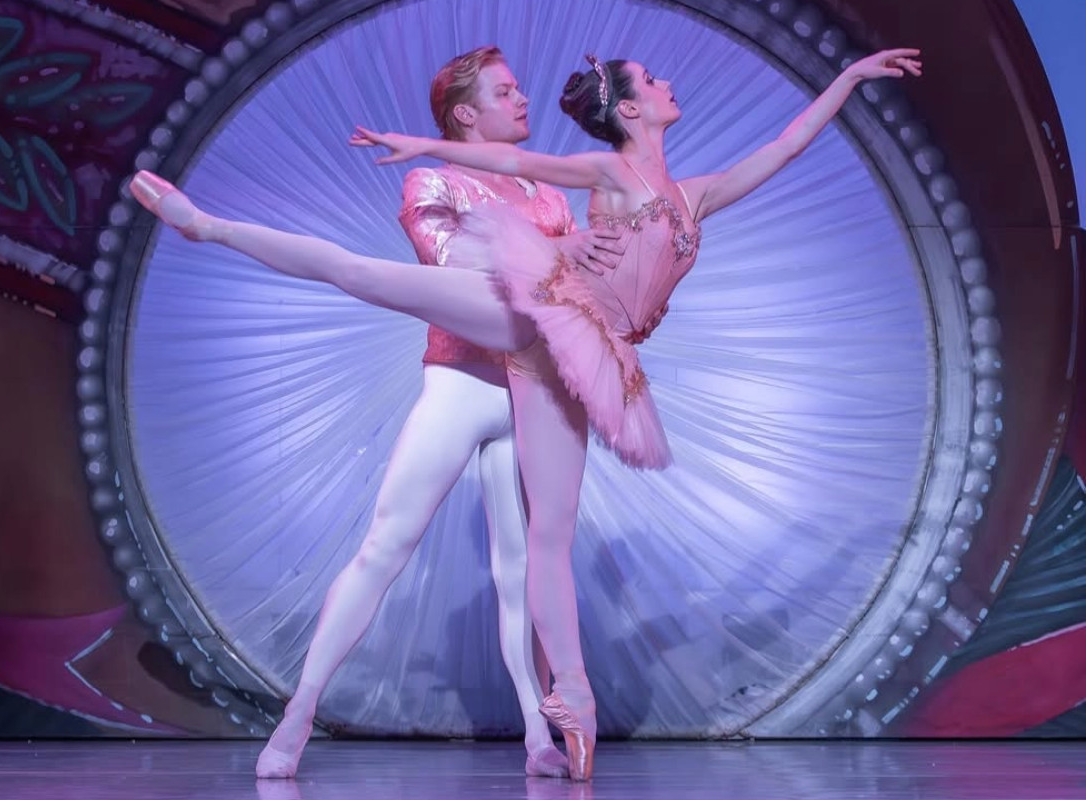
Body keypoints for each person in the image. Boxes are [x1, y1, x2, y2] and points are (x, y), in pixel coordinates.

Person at [129, 48, 922, 780]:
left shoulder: (689, 195)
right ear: (631, 107)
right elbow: (508, 162)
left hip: (577, 355)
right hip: (527, 318)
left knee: (549, 537)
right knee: (360, 275)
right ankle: (208, 227)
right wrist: (424, 146)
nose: (669, 85)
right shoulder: (601, 172)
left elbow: (783, 149)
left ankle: (567, 704)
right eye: (654, 80)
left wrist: (849, 79)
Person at [246, 46, 626, 779]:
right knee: (387, 544)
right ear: (464, 114)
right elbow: (455, 267)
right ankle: (297, 714)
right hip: (460, 382)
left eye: (519, 88)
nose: (522, 100)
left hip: (531, 389)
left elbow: (565, 294)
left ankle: (536, 734)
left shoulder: (545, 197)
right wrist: (559, 263)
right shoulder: (434, 180)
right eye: (505, 92)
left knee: (523, 567)